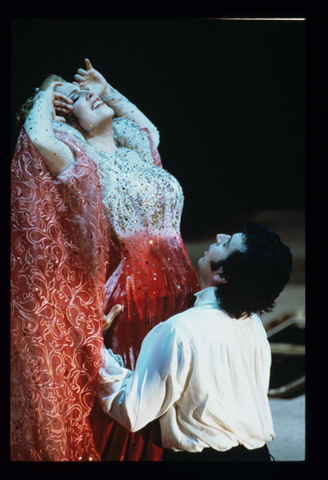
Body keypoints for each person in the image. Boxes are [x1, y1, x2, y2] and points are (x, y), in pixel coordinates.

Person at [11, 59, 200, 461]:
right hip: (132, 295)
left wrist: (107, 88)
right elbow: (40, 138)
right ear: (65, 116)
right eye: (78, 99)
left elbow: (151, 129)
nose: (92, 97)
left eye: (89, 93)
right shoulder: (82, 164)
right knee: (139, 398)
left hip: (183, 285)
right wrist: (50, 91)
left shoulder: (137, 150)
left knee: (181, 391)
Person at [97, 222, 293, 461]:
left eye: (227, 243)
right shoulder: (254, 326)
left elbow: (132, 412)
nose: (220, 235)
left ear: (222, 275)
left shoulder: (179, 330)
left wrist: (96, 346)